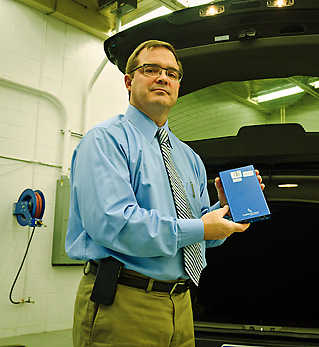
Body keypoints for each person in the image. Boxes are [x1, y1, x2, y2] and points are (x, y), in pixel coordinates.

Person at [66, 40, 264, 347]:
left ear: (178, 86)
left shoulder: (188, 157)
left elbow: (200, 234)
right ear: (129, 82)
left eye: (172, 73)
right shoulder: (105, 142)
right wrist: (202, 226)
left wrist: (225, 211)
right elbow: (116, 225)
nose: (163, 78)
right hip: (123, 304)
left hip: (181, 304)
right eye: (151, 69)